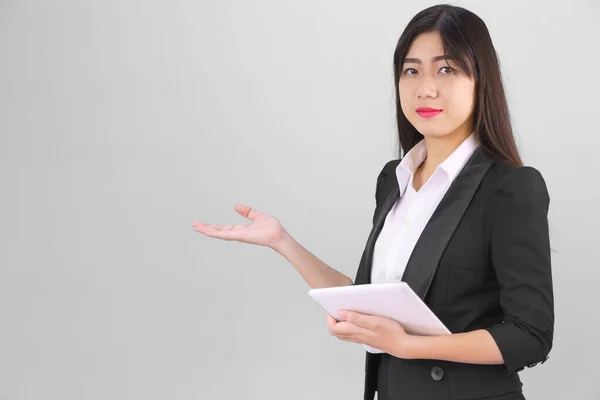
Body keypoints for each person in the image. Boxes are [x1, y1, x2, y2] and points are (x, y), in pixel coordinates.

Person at [193, 4, 554, 400]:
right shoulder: (393, 179)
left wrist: (408, 346)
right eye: (411, 70)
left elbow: (530, 335)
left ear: (480, 80)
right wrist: (284, 243)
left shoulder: (510, 188)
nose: (425, 88)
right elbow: (365, 300)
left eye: (446, 69)